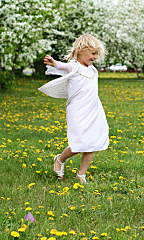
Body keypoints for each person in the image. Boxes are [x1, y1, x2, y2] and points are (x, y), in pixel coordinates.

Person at [38, 34, 109, 184]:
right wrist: (54, 63)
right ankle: (60, 159)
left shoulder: (92, 70)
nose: (95, 57)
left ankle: (81, 175)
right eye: (93, 53)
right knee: (79, 143)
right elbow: (63, 66)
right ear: (81, 50)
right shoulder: (75, 66)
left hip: (93, 110)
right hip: (77, 111)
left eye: (97, 54)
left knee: (93, 143)